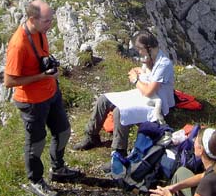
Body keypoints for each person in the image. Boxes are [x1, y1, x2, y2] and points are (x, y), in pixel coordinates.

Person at [4, 0, 81, 196]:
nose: (51, 24)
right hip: (32, 103)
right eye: (47, 21)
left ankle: (58, 168)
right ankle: (35, 180)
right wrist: (41, 76)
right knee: (36, 143)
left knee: (63, 131)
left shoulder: (40, 31)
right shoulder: (18, 44)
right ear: (32, 19)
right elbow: (9, 80)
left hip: (51, 92)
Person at [73, 31, 175, 159]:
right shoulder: (149, 58)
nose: (139, 52)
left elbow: (150, 91)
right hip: (143, 95)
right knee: (103, 99)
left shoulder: (163, 64)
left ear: (148, 48)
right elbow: (143, 71)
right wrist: (136, 71)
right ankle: (91, 136)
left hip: (155, 103)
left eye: (139, 49)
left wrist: (135, 80)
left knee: (120, 111)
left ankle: (119, 152)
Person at [149, 128, 216, 196]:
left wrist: (167, 194)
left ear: (201, 150)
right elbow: (202, 176)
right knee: (181, 172)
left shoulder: (208, 182)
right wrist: (174, 187)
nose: (193, 142)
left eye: (195, 141)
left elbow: (206, 180)